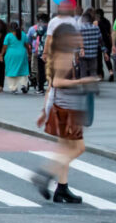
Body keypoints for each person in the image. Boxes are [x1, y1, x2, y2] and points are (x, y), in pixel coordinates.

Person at [33, 23, 98, 204]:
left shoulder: (61, 55)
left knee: (65, 149)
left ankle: (62, 188)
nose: (78, 38)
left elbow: (50, 88)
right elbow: (57, 82)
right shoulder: (65, 55)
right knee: (78, 148)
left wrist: (44, 111)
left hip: (61, 107)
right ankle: (46, 174)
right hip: (67, 109)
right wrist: (82, 81)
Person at [3, 21, 31, 94]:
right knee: (23, 69)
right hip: (22, 53)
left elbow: (5, 47)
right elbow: (27, 45)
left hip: (11, 54)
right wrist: (29, 53)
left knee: (11, 69)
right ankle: (23, 85)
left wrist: (1, 54)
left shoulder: (8, 36)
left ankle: (13, 87)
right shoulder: (23, 34)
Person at [77, 11, 104, 80]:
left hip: (83, 55)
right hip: (93, 54)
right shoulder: (96, 28)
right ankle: (93, 87)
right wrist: (105, 51)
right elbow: (100, 40)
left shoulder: (80, 29)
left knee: (83, 72)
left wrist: (77, 53)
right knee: (93, 72)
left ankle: (85, 88)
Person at [28, 13, 50, 94]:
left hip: (42, 51)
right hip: (51, 51)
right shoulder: (52, 26)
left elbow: (34, 35)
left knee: (41, 70)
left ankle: (41, 88)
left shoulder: (42, 27)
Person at [91, 8, 114, 81]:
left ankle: (100, 75)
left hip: (99, 42)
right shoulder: (107, 21)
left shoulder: (96, 22)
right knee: (107, 58)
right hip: (107, 41)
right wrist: (111, 43)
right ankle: (111, 72)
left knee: (99, 59)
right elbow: (110, 33)